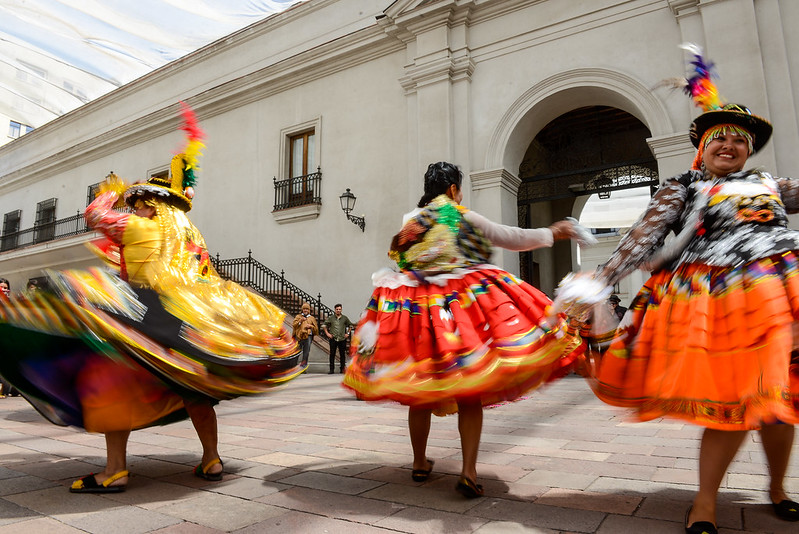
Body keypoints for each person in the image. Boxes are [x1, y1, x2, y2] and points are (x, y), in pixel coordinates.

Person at [0, 104, 302, 493]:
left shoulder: (139, 224)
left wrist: (108, 194)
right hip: (189, 316)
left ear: (148, 203)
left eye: (137, 201)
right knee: (195, 392)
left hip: (143, 312)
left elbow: (95, 216)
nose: (134, 206)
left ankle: (115, 470)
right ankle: (211, 460)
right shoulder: (190, 231)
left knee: (112, 383)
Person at [563, 47, 799, 532]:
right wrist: (599, 281)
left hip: (785, 294)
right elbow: (642, 239)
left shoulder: (772, 184)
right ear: (703, 147)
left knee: (781, 401)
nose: (730, 145)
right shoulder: (684, 188)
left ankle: (777, 489)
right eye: (720, 139)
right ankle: (706, 504)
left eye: (739, 140)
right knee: (734, 401)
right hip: (725, 300)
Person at [343, 161, 588, 498]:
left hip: (415, 312)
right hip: (457, 311)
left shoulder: (410, 222)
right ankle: (469, 471)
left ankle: (418, 462)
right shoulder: (461, 215)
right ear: (454, 190)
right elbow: (511, 237)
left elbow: (402, 258)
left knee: (421, 389)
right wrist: (553, 233)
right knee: (470, 386)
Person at [322, 303, 353, 374]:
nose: (338, 310)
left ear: (341, 309)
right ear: (335, 310)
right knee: (332, 354)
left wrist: (347, 333)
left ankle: (342, 369)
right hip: (333, 338)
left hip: (342, 338)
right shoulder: (331, 318)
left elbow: (350, 325)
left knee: (342, 354)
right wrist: (327, 333)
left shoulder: (345, 318)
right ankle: (331, 369)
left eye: (339, 309)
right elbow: (324, 325)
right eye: (337, 309)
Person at [292, 302, 318, 369]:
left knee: (306, 353)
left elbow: (316, 329)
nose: (305, 310)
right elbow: (294, 325)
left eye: (307, 309)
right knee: (296, 352)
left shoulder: (312, 318)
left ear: (309, 310)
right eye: (304, 309)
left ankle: (303, 367)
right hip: (299, 337)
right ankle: (294, 367)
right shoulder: (298, 316)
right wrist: (300, 321)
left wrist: (311, 326)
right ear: (302, 310)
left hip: (308, 337)